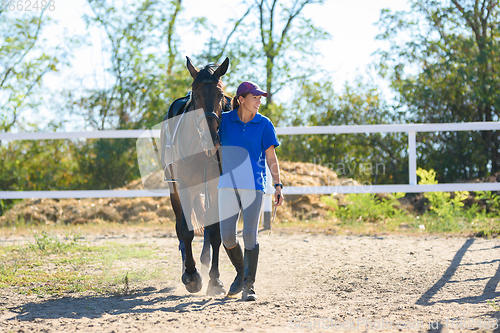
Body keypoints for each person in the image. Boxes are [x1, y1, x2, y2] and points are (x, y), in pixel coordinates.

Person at [218, 81, 284, 301]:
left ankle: (249, 285)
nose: (259, 101)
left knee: (249, 235)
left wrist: (278, 184)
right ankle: (241, 271)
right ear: (241, 99)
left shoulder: (264, 124)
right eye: (255, 97)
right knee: (227, 236)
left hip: (254, 186)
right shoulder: (224, 121)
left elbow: (271, 158)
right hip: (227, 185)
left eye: (260, 98)